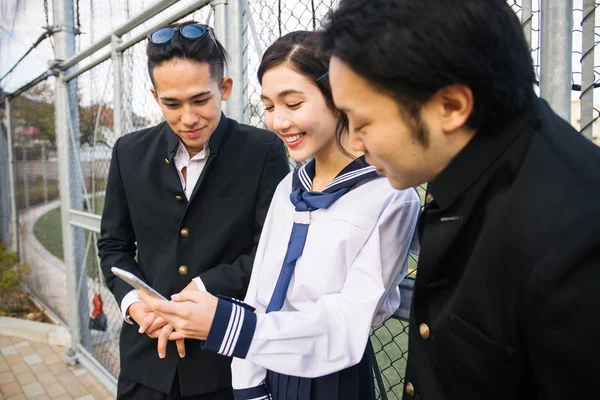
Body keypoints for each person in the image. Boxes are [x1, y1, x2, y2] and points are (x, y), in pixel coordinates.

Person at [319, 0, 600, 399]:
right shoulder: (474, 166)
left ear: (450, 106)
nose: (356, 145)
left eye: (363, 123)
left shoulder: (574, 240)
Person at [139, 31, 421, 400]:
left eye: (292, 103)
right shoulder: (289, 187)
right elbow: (260, 295)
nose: (278, 122)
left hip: (332, 380)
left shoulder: (389, 196)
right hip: (264, 365)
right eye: (269, 107)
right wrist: (248, 381)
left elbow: (347, 324)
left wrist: (227, 326)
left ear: (340, 97)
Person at [97, 21, 289, 400]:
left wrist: (200, 291)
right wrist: (136, 305)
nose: (188, 117)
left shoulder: (263, 150)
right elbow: (113, 247)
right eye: (172, 103)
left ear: (226, 89)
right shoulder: (128, 152)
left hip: (224, 366)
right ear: (155, 96)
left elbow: (272, 252)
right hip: (144, 363)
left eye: (201, 100)